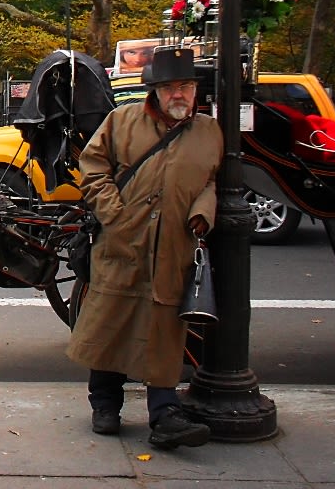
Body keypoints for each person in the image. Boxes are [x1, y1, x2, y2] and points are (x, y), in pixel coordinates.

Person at [66, 47, 222, 450]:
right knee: (110, 323)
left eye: (185, 86)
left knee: (165, 329)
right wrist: (114, 215)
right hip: (122, 241)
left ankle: (164, 413)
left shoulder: (209, 132)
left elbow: (210, 181)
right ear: (154, 91)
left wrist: (203, 213)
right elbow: (93, 167)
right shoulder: (122, 121)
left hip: (173, 246)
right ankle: (105, 405)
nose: (179, 95)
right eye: (170, 87)